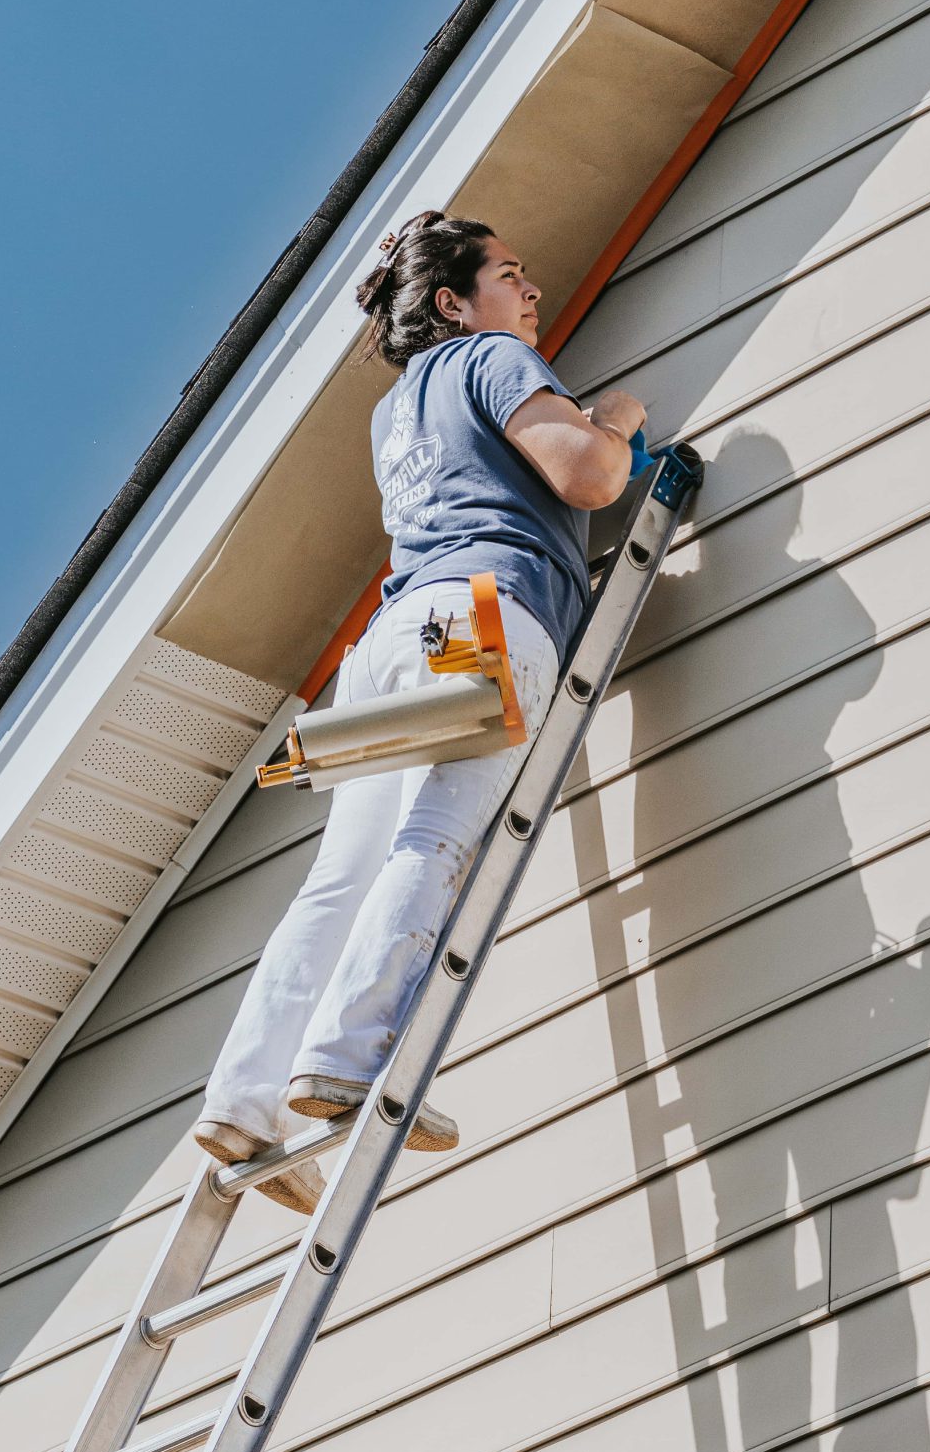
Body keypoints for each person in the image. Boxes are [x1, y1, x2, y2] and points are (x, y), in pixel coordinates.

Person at [194, 209, 647, 1213]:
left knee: (342, 869)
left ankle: (245, 1096)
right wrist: (614, 418)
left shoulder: (392, 410)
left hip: (390, 644)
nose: (530, 293)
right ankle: (351, 1061)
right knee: (438, 837)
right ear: (453, 301)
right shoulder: (488, 358)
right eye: (511, 273)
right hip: (481, 611)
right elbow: (587, 474)